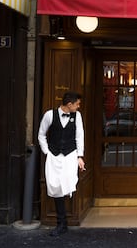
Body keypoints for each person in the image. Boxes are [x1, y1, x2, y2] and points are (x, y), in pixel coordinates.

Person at [38, 91, 86, 236]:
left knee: (67, 185)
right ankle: (62, 223)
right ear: (69, 104)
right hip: (54, 156)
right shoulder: (49, 115)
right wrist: (47, 152)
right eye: (77, 104)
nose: (78, 107)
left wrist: (80, 156)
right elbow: (41, 134)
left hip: (70, 155)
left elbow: (80, 136)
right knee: (55, 186)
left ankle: (63, 222)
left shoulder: (77, 116)